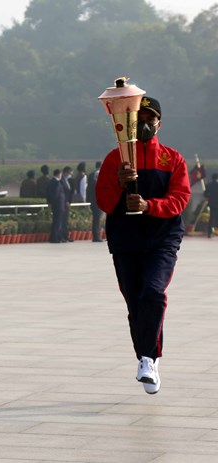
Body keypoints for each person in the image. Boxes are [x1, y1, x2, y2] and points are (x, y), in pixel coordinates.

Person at [95, 96, 190, 394]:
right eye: (141, 119)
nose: (146, 124)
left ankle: (149, 359)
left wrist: (150, 205)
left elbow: (180, 199)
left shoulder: (172, 159)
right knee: (135, 302)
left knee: (153, 292)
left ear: (159, 123)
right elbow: (104, 201)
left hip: (162, 237)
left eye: (151, 119)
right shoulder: (116, 159)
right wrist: (121, 185)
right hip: (126, 238)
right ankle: (145, 356)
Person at [47, 168, 67, 243]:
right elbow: (56, 194)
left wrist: (50, 203)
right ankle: (55, 238)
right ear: (59, 174)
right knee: (58, 222)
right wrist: (54, 202)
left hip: (56, 205)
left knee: (56, 221)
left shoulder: (51, 182)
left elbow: (48, 194)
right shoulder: (57, 183)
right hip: (58, 205)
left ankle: (55, 237)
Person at [86, 161, 104, 241]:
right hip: (98, 200)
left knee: (96, 218)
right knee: (97, 218)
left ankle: (96, 235)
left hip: (92, 200)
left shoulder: (90, 175)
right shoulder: (100, 174)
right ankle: (96, 236)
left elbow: (88, 189)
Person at [61, 166, 73, 241]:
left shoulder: (68, 180)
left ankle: (66, 236)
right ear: (65, 172)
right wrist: (65, 201)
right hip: (63, 203)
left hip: (67, 204)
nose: (70, 175)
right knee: (62, 221)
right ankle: (62, 236)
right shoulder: (61, 180)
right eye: (69, 173)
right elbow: (62, 193)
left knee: (66, 221)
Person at [205, 173, 218, 238]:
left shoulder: (209, 185)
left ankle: (209, 233)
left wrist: (209, 197)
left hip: (212, 204)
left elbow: (205, 194)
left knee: (212, 218)